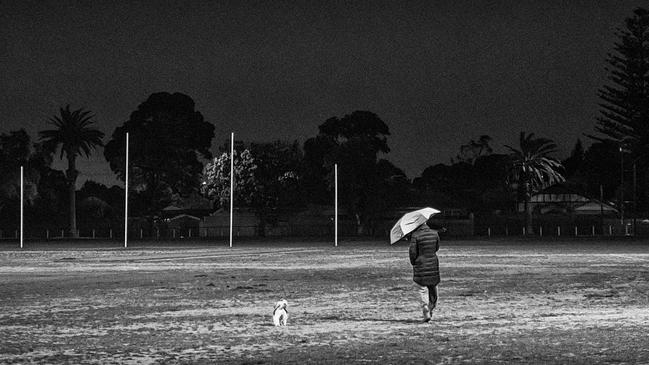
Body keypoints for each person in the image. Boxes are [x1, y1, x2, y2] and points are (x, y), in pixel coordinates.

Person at [408, 220, 442, 322]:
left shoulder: (415, 235)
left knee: (422, 287)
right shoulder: (434, 233)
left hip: (421, 263)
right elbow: (437, 247)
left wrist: (414, 262)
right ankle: (431, 306)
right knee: (433, 286)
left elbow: (412, 252)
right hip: (433, 262)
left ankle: (425, 306)